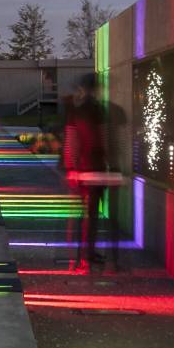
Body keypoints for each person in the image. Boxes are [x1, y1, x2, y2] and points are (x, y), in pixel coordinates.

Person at [60, 74, 115, 272]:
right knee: (92, 215)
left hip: (80, 170)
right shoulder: (99, 110)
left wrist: (71, 167)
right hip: (97, 168)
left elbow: (71, 141)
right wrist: (110, 163)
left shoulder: (76, 111)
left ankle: (81, 256)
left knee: (82, 215)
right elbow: (105, 139)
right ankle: (87, 254)